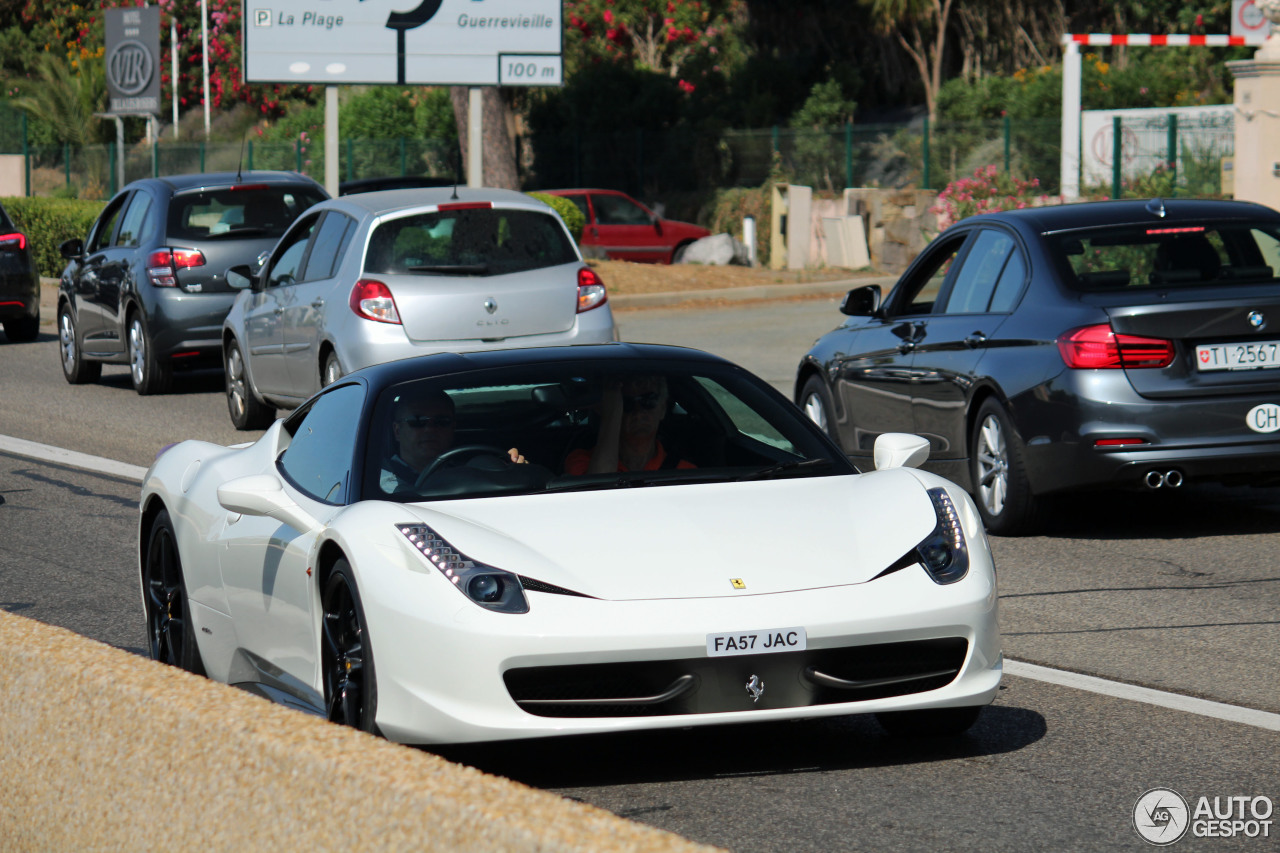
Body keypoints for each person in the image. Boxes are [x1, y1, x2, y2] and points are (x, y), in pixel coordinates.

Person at [380, 389, 524, 493]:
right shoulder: (373, 485)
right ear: (397, 431)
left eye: (442, 421)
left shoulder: (476, 472)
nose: (430, 429)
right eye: (417, 421)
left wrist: (514, 472)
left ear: (453, 428)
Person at [563, 374, 696, 474]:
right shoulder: (581, 460)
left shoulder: (684, 471)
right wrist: (610, 413)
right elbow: (598, 496)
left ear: (663, 408)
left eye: (648, 400)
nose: (638, 412)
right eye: (627, 403)